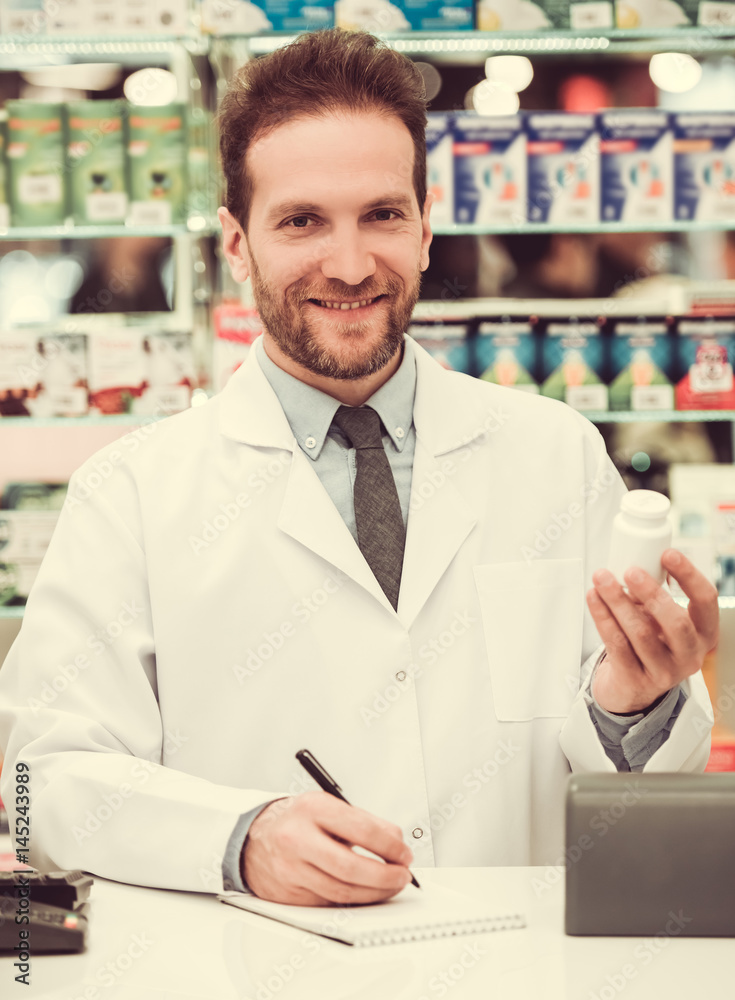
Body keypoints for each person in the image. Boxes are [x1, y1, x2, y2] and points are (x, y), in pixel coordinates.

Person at [0, 29, 718, 908]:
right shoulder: (133, 492)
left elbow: (615, 759)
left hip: (508, 970)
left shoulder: (555, 454)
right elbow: (44, 784)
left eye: (381, 214)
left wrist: (632, 706)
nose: (349, 265)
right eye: (302, 221)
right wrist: (237, 838)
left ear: (423, 229)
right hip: (256, 971)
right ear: (236, 245)